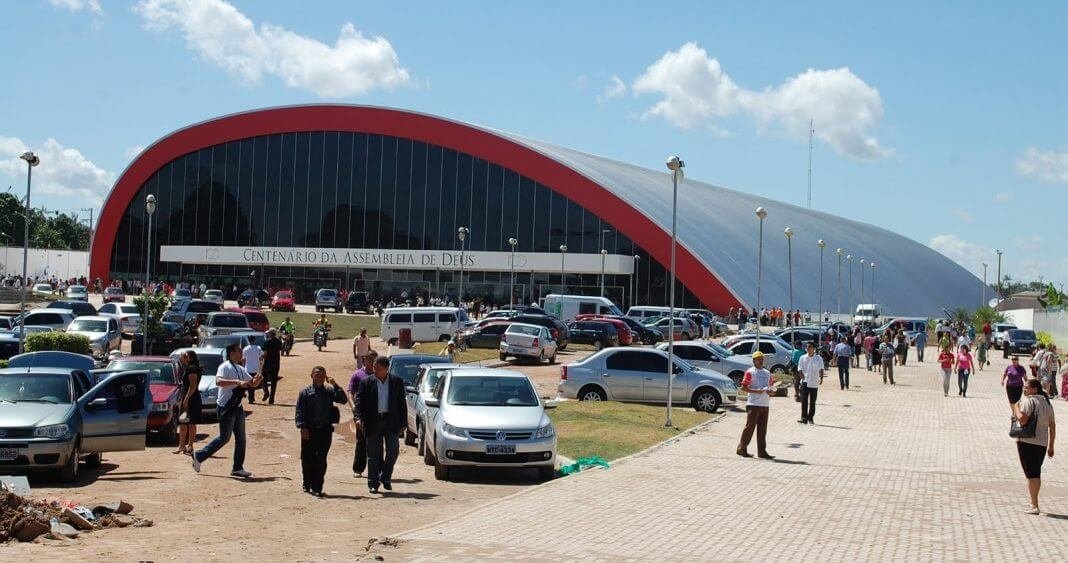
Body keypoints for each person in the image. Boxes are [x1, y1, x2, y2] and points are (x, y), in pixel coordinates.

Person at [192, 344, 262, 478]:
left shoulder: (240, 368)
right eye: (239, 351)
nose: (241, 353)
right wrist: (236, 382)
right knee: (224, 438)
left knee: (241, 439)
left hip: (238, 407)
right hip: (226, 407)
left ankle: (237, 467)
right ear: (231, 353)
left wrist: (257, 380)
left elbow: (251, 383)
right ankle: (199, 455)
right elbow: (218, 382)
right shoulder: (225, 367)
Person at [354, 356, 407, 494]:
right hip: (373, 421)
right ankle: (373, 483)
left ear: (386, 368)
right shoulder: (366, 382)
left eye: (377, 368)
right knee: (373, 455)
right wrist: (358, 418)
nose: (374, 370)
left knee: (393, 451)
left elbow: (402, 404)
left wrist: (403, 423)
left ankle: (385, 476)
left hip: (391, 422)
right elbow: (359, 402)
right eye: (374, 368)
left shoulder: (397, 382)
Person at [295, 366, 347, 497]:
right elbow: (299, 411)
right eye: (316, 375)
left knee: (321, 459)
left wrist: (335, 384)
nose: (319, 377)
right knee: (308, 459)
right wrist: (302, 427)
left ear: (325, 377)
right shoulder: (305, 392)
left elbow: (343, 399)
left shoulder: (329, 391)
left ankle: (317, 486)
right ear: (311, 375)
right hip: (309, 430)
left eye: (322, 375)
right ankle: (307, 482)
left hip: (325, 431)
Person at [1013, 378, 1056, 515]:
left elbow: (1022, 419)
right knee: (1036, 473)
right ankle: (1034, 502)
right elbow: (1052, 426)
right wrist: (1051, 446)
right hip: (1042, 443)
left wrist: (1015, 407)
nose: (1024, 389)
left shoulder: (1028, 401)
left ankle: (1034, 505)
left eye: (1027, 387)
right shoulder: (1047, 403)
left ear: (1034, 389)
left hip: (1027, 441)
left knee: (1031, 475)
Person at [736, 351, 775, 459]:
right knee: (749, 428)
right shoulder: (750, 372)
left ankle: (762, 451)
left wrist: (771, 392)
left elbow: (771, 387)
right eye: (758, 359)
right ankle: (742, 448)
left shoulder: (767, 373)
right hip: (753, 404)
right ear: (754, 361)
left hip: (765, 404)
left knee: (762, 430)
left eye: (762, 359)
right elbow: (743, 387)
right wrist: (756, 391)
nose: (760, 361)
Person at [347, 350, 376, 477]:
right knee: (362, 441)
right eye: (370, 359)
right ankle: (358, 469)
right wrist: (353, 407)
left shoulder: (379, 375)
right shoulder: (358, 375)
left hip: (376, 413)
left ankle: (375, 470)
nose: (372, 362)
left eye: (374, 360)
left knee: (376, 442)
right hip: (361, 412)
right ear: (365, 360)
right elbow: (350, 392)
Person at [175, 350, 203, 455]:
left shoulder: (192, 369)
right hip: (186, 398)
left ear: (189, 357)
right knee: (183, 422)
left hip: (192, 399)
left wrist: (186, 399)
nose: (182, 357)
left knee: (191, 423)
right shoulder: (187, 368)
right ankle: (182, 445)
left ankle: (190, 445)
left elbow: (193, 386)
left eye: (184, 356)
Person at [797, 342, 824, 424]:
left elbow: (821, 369)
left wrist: (821, 378)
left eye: (810, 347)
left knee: (812, 402)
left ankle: (811, 418)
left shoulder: (818, 358)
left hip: (814, 383)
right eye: (807, 347)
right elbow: (799, 369)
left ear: (814, 348)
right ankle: (804, 418)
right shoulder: (802, 358)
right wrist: (803, 378)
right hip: (805, 382)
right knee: (804, 401)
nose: (808, 348)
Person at [261, 329, 282, 404]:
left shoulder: (267, 341)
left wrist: (262, 357)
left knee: (264, 379)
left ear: (270, 334)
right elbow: (280, 349)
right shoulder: (278, 341)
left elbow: (265, 353)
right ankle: (272, 398)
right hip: (276, 364)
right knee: (274, 381)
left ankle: (266, 392)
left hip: (267, 364)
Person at [242, 339, 263, 404]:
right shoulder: (258, 348)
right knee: (254, 384)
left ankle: (250, 398)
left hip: (248, 368)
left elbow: (243, 359)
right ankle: (252, 398)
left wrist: (243, 367)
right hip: (256, 368)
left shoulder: (246, 348)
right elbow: (261, 357)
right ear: (254, 340)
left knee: (249, 384)